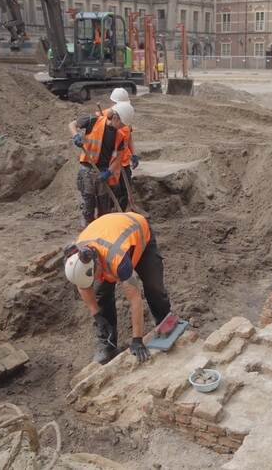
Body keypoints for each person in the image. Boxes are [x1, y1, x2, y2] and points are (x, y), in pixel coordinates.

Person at [64, 212, 171, 364]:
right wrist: (97, 316)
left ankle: (165, 322)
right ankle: (108, 343)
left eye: (94, 276)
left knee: (154, 285)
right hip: (108, 232)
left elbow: (135, 298)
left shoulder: (118, 260)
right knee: (102, 295)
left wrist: (137, 339)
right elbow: (83, 286)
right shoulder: (78, 258)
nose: (94, 280)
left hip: (138, 232)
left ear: (98, 265)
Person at [68, 102, 135, 226]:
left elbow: (118, 158)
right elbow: (72, 124)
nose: (122, 128)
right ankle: (87, 225)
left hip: (104, 170)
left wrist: (109, 171)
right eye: (121, 124)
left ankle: (102, 227)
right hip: (88, 167)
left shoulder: (119, 135)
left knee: (104, 203)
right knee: (89, 200)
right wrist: (76, 136)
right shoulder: (93, 121)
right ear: (115, 117)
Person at [108, 88, 140, 210]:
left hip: (125, 162)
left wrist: (134, 154)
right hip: (112, 163)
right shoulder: (109, 119)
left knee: (125, 192)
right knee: (113, 191)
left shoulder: (125, 117)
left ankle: (121, 213)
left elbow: (129, 138)